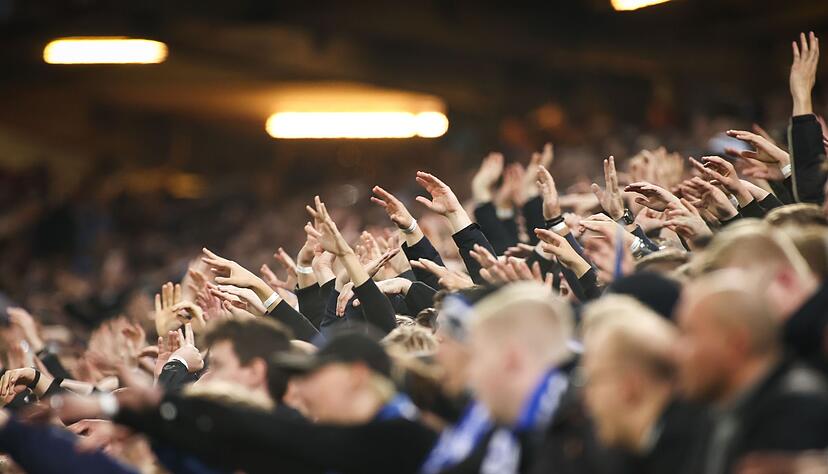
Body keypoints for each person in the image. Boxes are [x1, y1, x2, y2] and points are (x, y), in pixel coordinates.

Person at [674, 270, 828, 474]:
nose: (677, 351)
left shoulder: (797, 413)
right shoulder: (715, 414)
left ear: (736, 344)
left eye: (689, 334)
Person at [581, 295, 709, 474]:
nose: (586, 399)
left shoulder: (698, 455)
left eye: (592, 381)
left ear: (629, 386)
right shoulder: (644, 451)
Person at [465, 281, 573, 473]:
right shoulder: (516, 430)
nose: (470, 373)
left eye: (477, 357)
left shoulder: (574, 445)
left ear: (511, 359)